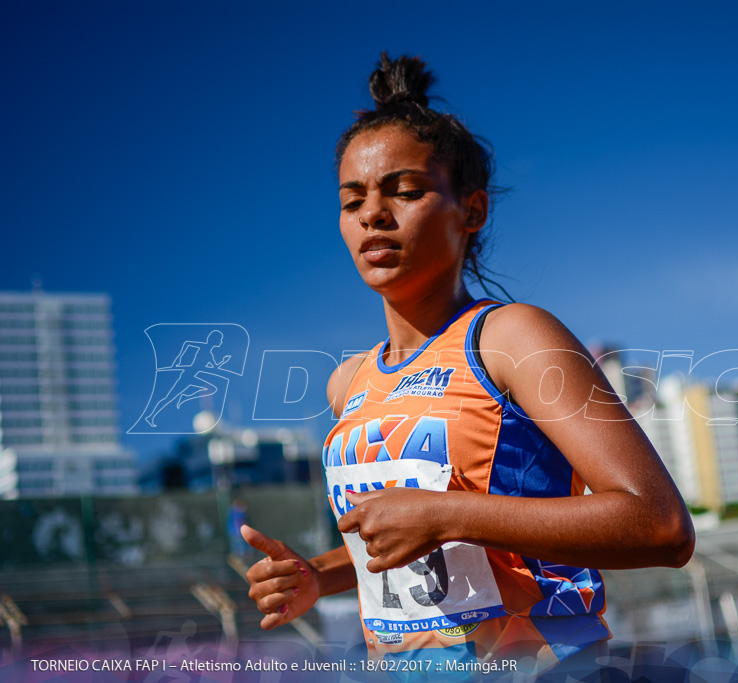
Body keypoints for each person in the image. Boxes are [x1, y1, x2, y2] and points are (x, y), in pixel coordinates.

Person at [241, 52, 694, 673]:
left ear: (472, 211)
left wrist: (446, 514)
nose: (374, 213)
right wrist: (318, 574)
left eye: (405, 191)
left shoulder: (511, 337)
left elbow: (661, 525)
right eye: (352, 201)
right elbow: (414, 535)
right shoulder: (348, 382)